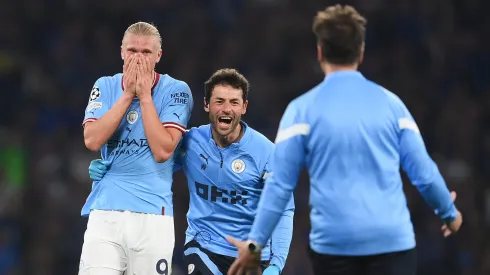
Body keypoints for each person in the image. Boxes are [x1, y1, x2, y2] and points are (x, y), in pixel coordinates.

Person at [226, 5, 463, 275]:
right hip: (393, 247)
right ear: (361, 53)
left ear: (320, 52)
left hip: (334, 249)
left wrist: (254, 246)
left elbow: (279, 185)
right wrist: (449, 214)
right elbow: (425, 174)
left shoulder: (301, 111)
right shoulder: (392, 106)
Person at [89, 68, 294, 275]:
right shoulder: (191, 142)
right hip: (204, 248)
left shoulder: (267, 153)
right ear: (206, 105)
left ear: (244, 107)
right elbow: (154, 163)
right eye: (219, 101)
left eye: (234, 102)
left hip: (252, 255)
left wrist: (276, 264)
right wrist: (113, 168)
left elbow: (283, 208)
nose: (226, 109)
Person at [79, 22, 193, 275]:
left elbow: (163, 151)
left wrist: (145, 96)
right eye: (132, 51)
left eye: (146, 53)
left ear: (159, 56)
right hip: (106, 210)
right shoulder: (106, 86)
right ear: (121, 52)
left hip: (153, 214)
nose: (138, 58)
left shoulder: (176, 91)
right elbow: (92, 140)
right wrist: (127, 95)